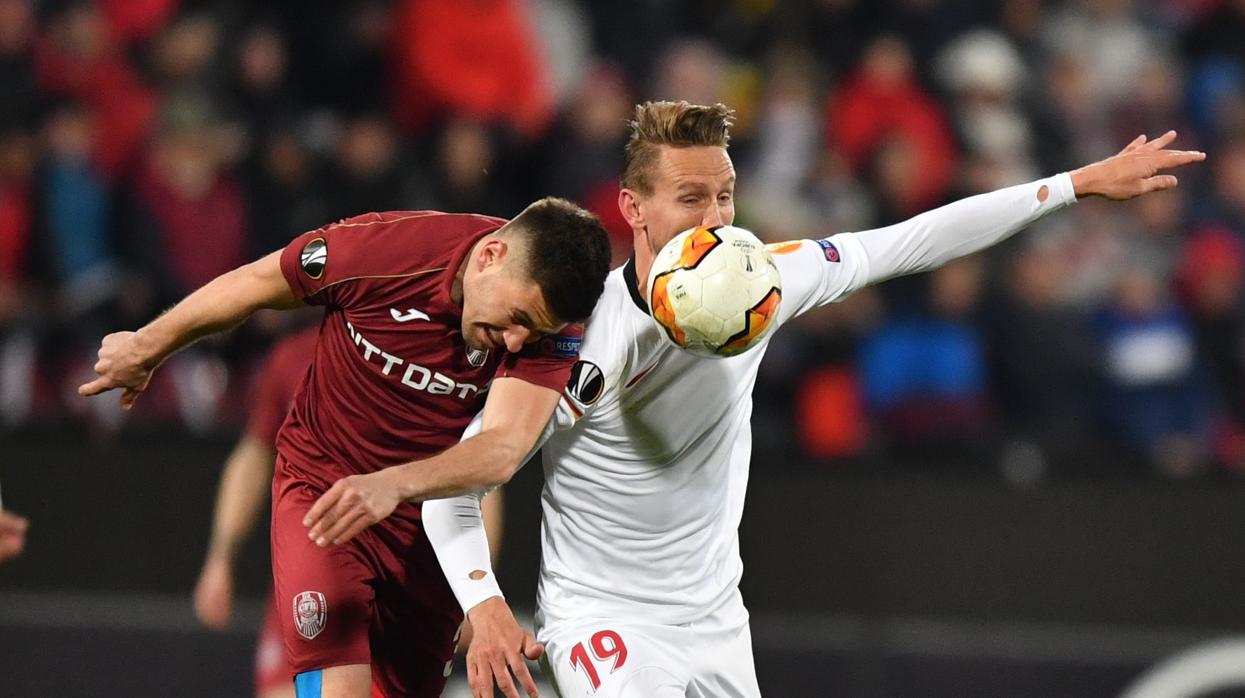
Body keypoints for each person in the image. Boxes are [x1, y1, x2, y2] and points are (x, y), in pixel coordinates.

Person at [311, 102, 1205, 698]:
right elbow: (463, 480)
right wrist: (485, 602)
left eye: (726, 193)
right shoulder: (580, 339)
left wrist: (1073, 185)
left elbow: (912, 240)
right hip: (602, 618)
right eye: (690, 196)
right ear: (634, 208)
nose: (713, 214)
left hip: (715, 618)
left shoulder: (767, 282)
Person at [80, 198, 612, 698]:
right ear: (492, 255)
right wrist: (145, 346)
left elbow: (500, 451)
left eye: (533, 331)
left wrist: (395, 488)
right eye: (518, 318)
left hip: (422, 536)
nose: (518, 342)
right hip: (323, 496)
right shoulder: (383, 251)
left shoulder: (554, 327)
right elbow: (255, 285)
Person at [191, 326, 510, 698]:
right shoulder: (294, 357)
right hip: (318, 565)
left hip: (410, 577)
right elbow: (254, 456)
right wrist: (220, 557)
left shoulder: (440, 360)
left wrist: (475, 592)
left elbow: (475, 478)